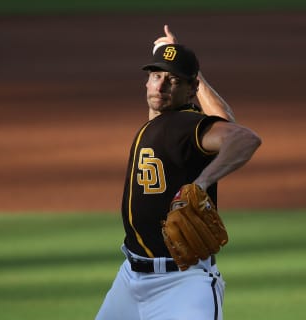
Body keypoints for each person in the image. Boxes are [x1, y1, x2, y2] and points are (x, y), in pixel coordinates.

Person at [95, 25, 261, 320]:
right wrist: (174, 57)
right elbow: (224, 120)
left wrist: (202, 183)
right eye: (155, 76)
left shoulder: (186, 125)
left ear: (190, 89)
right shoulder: (163, 121)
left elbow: (244, 137)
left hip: (182, 285)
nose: (160, 87)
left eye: (171, 80)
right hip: (130, 279)